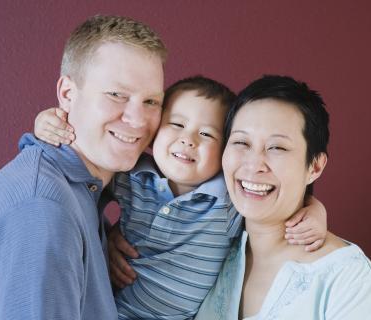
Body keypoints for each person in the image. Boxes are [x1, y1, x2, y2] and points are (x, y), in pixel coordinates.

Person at [34, 76, 329, 319]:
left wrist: (315, 210)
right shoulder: (133, 175)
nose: (189, 140)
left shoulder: (227, 200)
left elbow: (278, 197)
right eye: (176, 125)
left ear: (227, 150)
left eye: (207, 134)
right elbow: (80, 176)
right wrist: (49, 121)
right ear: (153, 132)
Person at [0, 15, 166, 320]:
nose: (138, 119)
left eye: (151, 101)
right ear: (67, 94)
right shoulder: (43, 209)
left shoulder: (86, 188)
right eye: (116, 95)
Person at [195, 75, 371, 319]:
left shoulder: (346, 277)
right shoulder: (206, 245)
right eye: (241, 142)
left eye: (277, 148)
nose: (254, 165)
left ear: (314, 167)